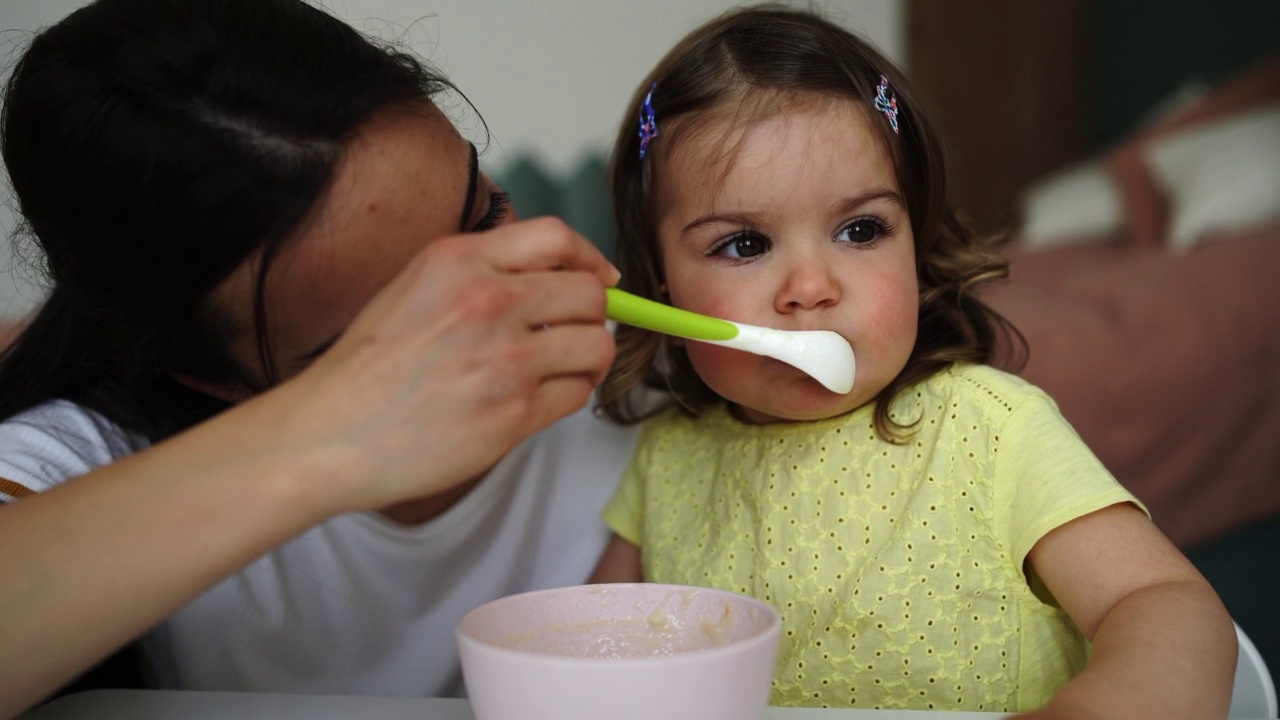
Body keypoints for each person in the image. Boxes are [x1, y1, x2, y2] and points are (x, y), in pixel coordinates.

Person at [589, 6, 1237, 718]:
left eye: (860, 229)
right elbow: (594, 653)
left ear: (918, 252)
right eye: (744, 245)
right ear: (662, 294)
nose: (811, 289)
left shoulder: (993, 430)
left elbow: (1161, 601)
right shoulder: (666, 462)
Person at [0, 0, 639, 716]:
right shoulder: (80, 462)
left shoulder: (656, 390)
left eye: (485, 211)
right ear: (201, 372)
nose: (487, 307)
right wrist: (328, 440)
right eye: (389, 331)